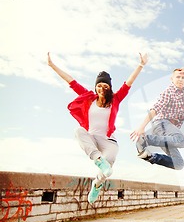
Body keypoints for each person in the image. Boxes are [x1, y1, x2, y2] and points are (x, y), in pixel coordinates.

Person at [47, 52, 148, 204]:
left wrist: (140, 65)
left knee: (110, 163)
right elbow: (71, 81)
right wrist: (52, 65)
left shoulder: (116, 99)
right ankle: (98, 159)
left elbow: (128, 83)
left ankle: (97, 184)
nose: (101, 88)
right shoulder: (88, 97)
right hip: (91, 139)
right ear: (96, 87)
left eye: (105, 85)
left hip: (108, 140)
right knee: (78, 131)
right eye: (99, 85)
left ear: (109, 87)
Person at [130, 68, 184, 170]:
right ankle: (145, 140)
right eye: (178, 77)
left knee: (178, 164)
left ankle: (151, 157)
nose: (180, 79)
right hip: (161, 123)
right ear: (172, 79)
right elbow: (155, 109)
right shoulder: (168, 92)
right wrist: (142, 127)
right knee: (181, 141)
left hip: (166, 134)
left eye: (183, 77)